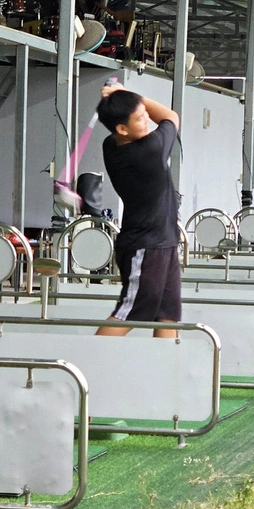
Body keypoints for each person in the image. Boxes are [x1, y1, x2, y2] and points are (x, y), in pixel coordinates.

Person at [94, 84, 181, 338]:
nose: (147, 121)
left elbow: (157, 119)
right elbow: (171, 117)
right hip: (145, 247)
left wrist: (127, 101)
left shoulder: (111, 144)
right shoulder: (150, 150)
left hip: (162, 242)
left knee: (168, 316)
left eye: (145, 115)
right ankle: (86, 369)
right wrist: (132, 94)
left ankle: (165, 373)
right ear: (122, 129)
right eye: (141, 119)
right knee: (130, 313)